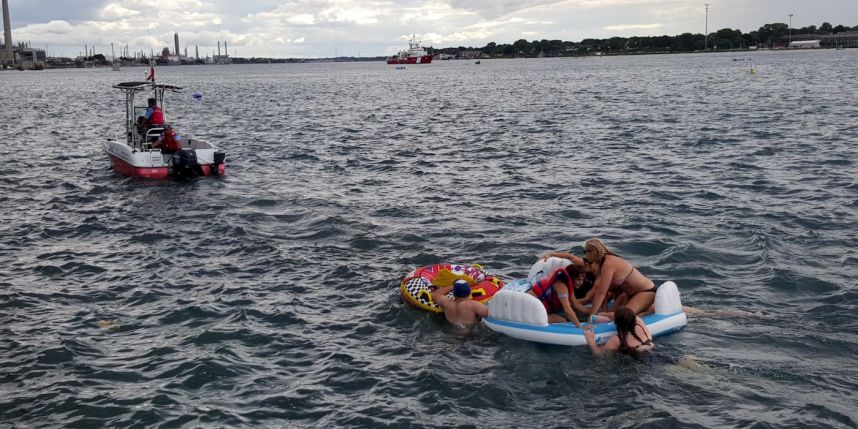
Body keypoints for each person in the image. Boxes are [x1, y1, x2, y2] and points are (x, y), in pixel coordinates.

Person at [547, 239, 657, 319]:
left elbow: (600, 293)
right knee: (608, 315)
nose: (584, 254)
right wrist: (550, 254)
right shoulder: (598, 263)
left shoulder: (608, 264)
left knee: (622, 317)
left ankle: (648, 311)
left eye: (585, 251)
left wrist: (591, 318)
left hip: (645, 292)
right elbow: (571, 257)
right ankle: (641, 310)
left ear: (593, 253)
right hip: (628, 295)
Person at [583, 306, 654, 357]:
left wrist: (590, 340)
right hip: (650, 354)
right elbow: (632, 317)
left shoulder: (616, 340)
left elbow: (599, 354)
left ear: (615, 322)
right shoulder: (641, 327)